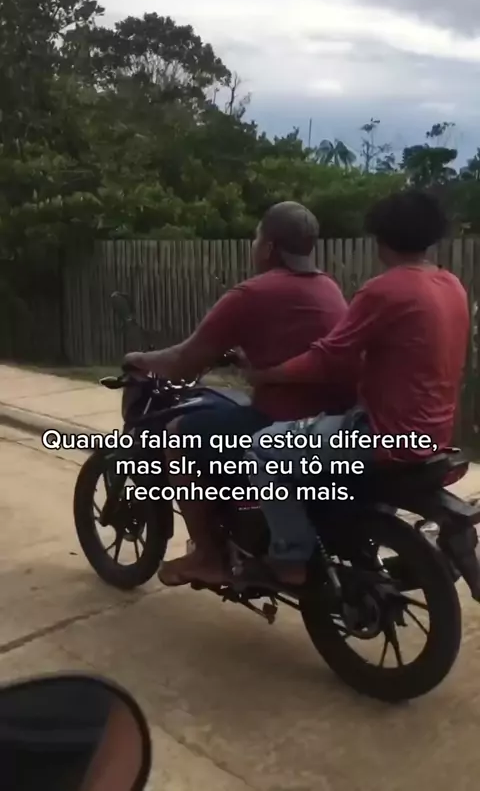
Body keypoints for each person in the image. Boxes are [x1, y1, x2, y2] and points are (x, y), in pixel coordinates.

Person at [242, 190, 470, 586]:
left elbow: (328, 357)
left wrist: (265, 374)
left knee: (262, 447)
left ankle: (289, 556)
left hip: (382, 435)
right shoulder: (451, 285)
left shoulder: (386, 289)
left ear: (380, 237)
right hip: (435, 434)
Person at [124, 201, 357, 585]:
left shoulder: (252, 293)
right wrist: (249, 360)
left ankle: (206, 555)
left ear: (269, 247)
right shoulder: (327, 286)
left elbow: (183, 360)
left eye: (256, 237)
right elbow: (303, 347)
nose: (254, 245)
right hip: (331, 420)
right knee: (224, 411)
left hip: (279, 422)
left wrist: (139, 360)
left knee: (177, 435)